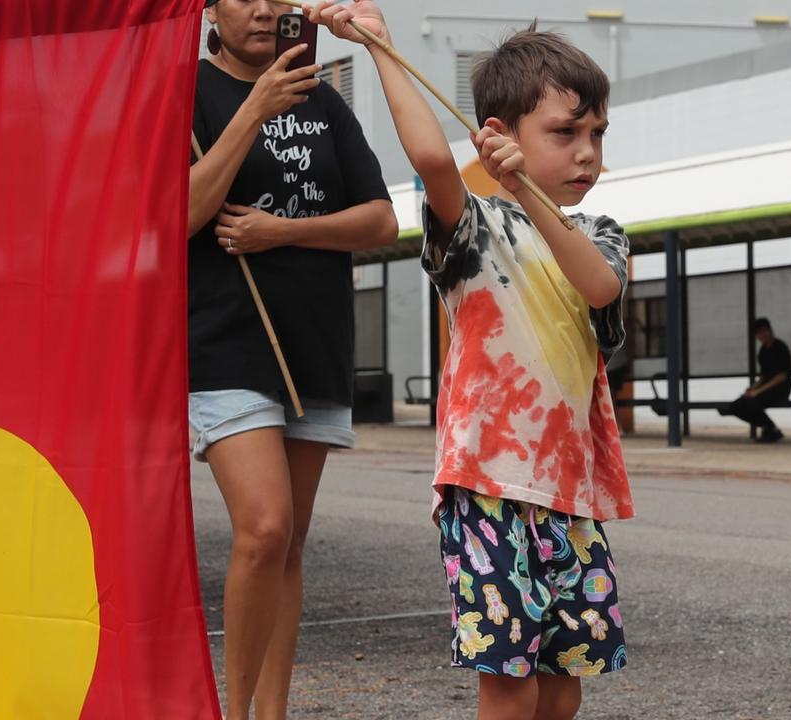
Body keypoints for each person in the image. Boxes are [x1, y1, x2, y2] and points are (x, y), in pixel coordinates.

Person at [310, 3, 633, 718]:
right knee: (509, 682)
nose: (587, 151)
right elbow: (429, 158)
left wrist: (524, 188)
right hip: (487, 484)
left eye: (597, 134)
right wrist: (380, 47)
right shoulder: (474, 230)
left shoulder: (600, 234)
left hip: (571, 496)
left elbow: (599, 285)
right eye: (565, 132)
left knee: (563, 685)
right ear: (498, 136)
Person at [187, 2, 398, 718]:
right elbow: (176, 213)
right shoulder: (185, 95)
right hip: (225, 343)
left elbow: (380, 219)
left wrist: (281, 231)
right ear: (211, 7)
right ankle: (233, 710)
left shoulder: (322, 99)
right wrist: (254, 109)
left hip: (313, 343)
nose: (265, 9)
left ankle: (273, 711)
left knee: (290, 545)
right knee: (264, 527)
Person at [725, 317, 791, 443]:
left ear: (770, 330)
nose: (761, 335)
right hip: (766, 390)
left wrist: (758, 391)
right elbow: (763, 377)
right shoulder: (762, 351)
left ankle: (770, 428)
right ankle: (769, 427)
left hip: (780, 390)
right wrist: (752, 388)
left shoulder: (780, 347)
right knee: (736, 406)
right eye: (758, 333)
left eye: (764, 331)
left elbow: (782, 376)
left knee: (753, 402)